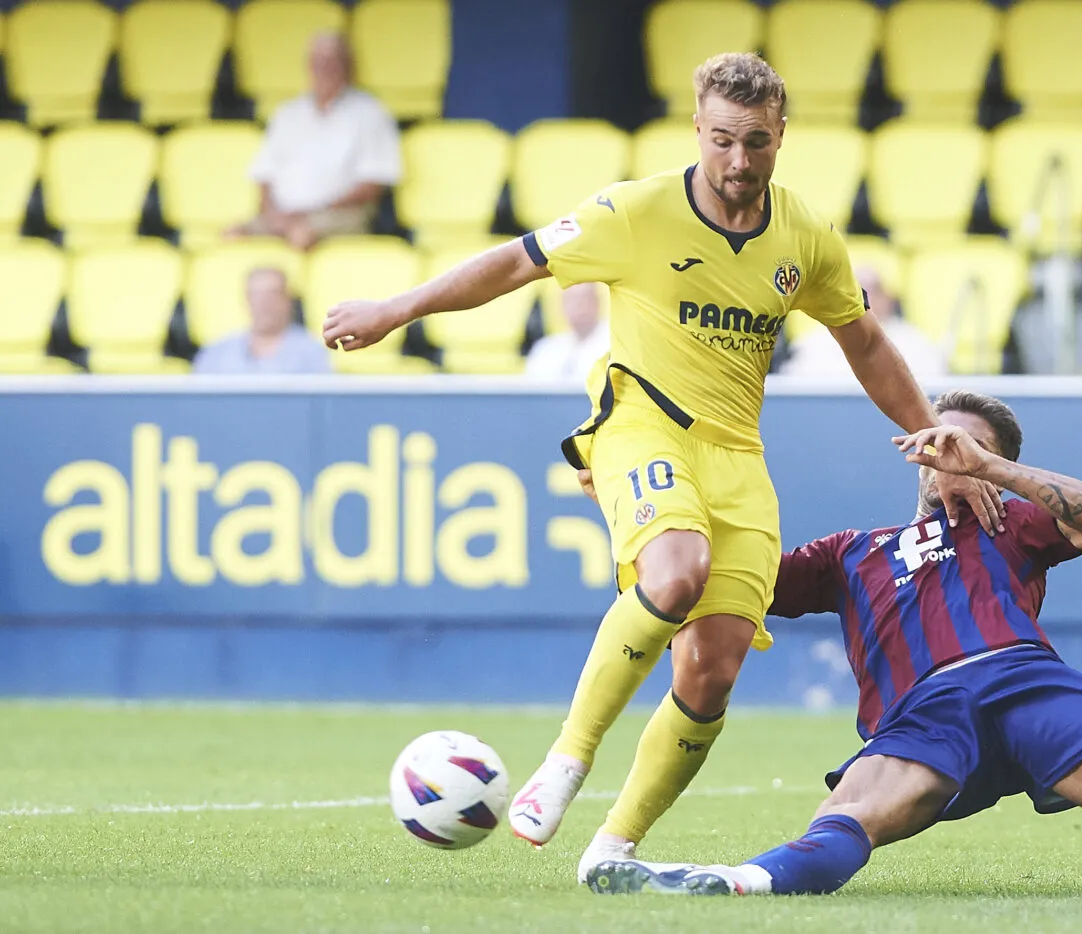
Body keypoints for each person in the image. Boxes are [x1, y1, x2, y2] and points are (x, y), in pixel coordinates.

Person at [319, 52, 1005, 883]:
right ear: (697, 130)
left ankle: (615, 847)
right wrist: (398, 308)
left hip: (737, 458)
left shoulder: (805, 238)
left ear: (781, 134)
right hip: (641, 424)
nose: (738, 162)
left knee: (710, 670)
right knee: (676, 571)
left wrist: (936, 436)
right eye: (722, 141)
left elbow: (863, 342)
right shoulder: (635, 212)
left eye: (755, 142)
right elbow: (514, 262)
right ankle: (566, 762)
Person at [584, 390, 1082, 898]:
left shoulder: (1013, 526)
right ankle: (733, 881)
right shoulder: (854, 552)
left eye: (964, 444)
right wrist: (636, 508)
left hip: (1027, 683)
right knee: (838, 829)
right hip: (923, 716)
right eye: (934, 438)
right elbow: (732, 582)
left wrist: (990, 471)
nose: (945, 451)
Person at [227, 33, 401, 251]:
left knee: (301, 236)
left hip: (340, 215)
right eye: (317, 60)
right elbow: (264, 176)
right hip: (283, 214)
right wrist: (274, 215)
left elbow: (370, 187)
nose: (324, 68)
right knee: (231, 237)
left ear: (348, 65)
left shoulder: (371, 113)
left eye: (332, 60)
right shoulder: (287, 113)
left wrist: (308, 213)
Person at [782, 264, 944, 384]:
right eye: (855, 291)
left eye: (872, 291)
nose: (864, 299)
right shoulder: (812, 343)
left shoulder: (915, 342)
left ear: (887, 299)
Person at [193, 267, 330, 374]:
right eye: (256, 295)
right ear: (246, 299)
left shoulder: (312, 352)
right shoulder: (216, 353)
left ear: (288, 300)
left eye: (272, 294)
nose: (264, 303)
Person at [523, 283, 610, 383]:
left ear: (597, 302)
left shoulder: (614, 347)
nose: (579, 306)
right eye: (572, 300)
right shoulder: (546, 349)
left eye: (585, 299)